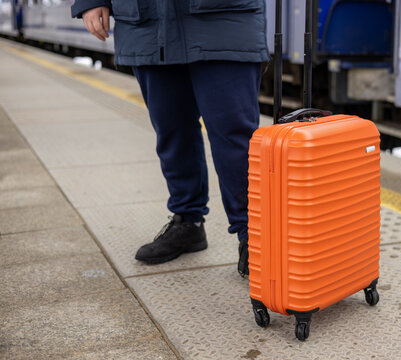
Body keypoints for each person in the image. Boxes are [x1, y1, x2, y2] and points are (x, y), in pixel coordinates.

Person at [71, 0, 269, 276]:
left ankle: (255, 236)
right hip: (147, 24)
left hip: (223, 17)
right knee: (172, 131)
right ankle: (188, 223)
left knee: (235, 138)